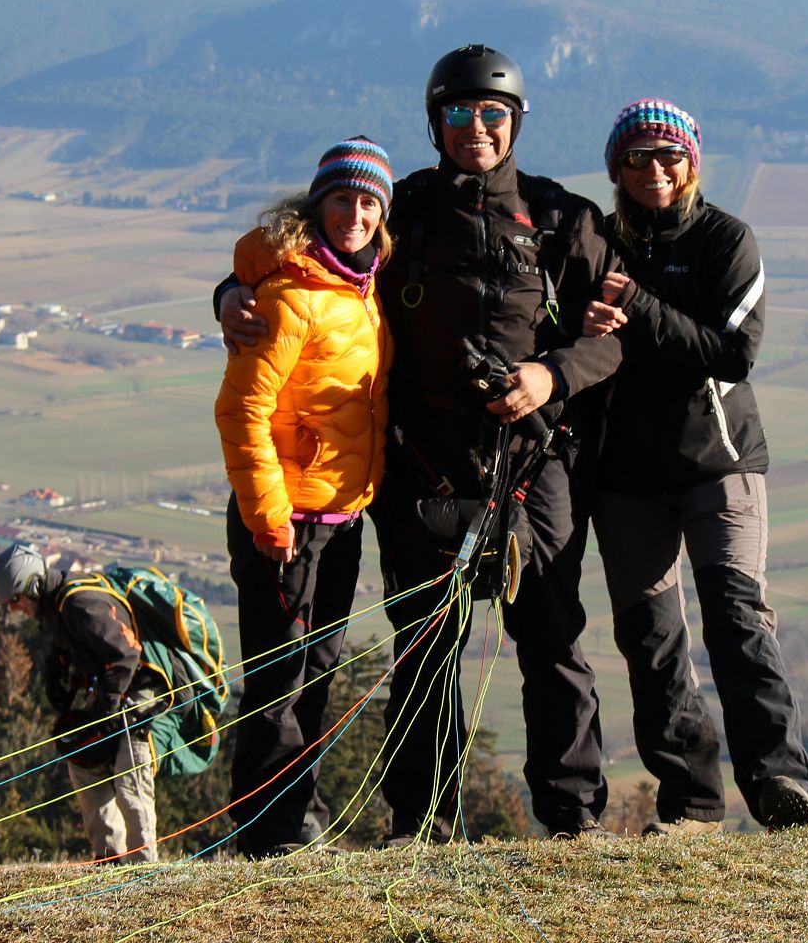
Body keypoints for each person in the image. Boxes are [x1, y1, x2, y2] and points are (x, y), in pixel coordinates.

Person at [218, 45, 622, 844]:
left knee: (552, 638)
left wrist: (552, 375)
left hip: (530, 461)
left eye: (493, 114)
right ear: (435, 123)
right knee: (427, 649)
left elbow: (613, 336)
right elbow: (304, 257)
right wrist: (229, 291)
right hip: (421, 467)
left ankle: (572, 819)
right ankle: (424, 819)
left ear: (516, 123)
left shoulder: (562, 219)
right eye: (459, 114)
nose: (477, 128)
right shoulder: (397, 208)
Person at [583, 98, 808, 834]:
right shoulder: (595, 243)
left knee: (738, 621)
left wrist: (639, 308)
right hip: (626, 477)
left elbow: (732, 352)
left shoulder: (726, 240)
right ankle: (692, 806)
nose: (654, 169)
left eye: (669, 155)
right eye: (638, 157)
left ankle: (782, 789)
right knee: (650, 641)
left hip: (720, 465)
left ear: (693, 162)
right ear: (616, 167)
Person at [214, 136, 395, 858]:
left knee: (316, 673)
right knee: (278, 678)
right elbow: (241, 412)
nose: (355, 214)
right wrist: (269, 519)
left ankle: (299, 816)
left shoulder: (365, 285)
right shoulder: (292, 296)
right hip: (286, 523)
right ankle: (268, 833)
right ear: (317, 207)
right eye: (342, 200)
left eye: (368, 202)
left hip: (342, 515)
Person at [0, 541, 165, 862]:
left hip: (142, 688)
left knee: (129, 776)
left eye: (15, 599)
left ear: (34, 586)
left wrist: (104, 711)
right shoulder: (57, 607)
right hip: (113, 690)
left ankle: (143, 870)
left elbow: (125, 656)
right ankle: (109, 861)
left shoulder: (80, 604)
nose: (13, 608)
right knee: (85, 767)